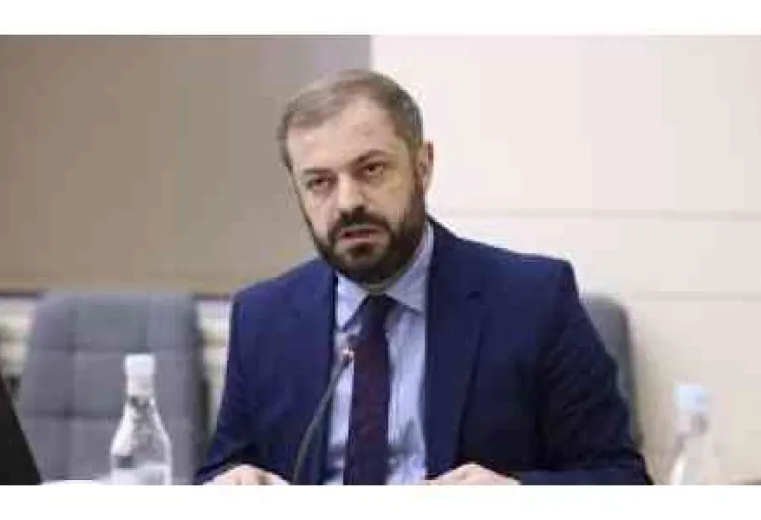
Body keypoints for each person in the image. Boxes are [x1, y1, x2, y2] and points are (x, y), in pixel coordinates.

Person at [195, 69, 651, 485]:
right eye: (320, 182)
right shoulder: (262, 317)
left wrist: (515, 496)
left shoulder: (533, 301)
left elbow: (623, 480)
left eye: (371, 169)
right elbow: (221, 471)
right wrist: (230, 484)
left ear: (423, 166)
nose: (348, 202)